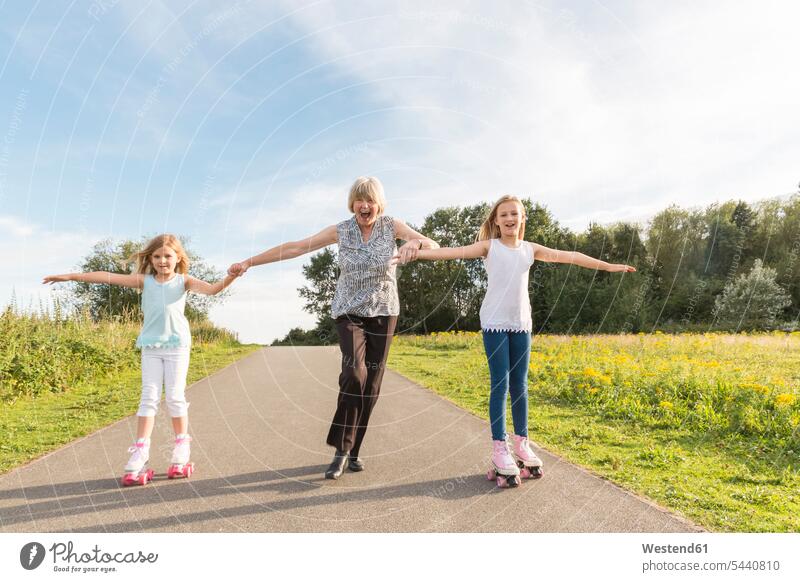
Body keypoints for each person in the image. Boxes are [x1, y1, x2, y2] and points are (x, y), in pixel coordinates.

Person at [397, 195, 635, 487]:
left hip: (522, 324)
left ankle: (522, 443)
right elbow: (451, 252)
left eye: (515, 214)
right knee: (500, 385)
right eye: (504, 214)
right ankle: (500, 448)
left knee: (520, 386)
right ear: (496, 221)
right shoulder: (490, 247)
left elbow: (570, 255)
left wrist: (609, 266)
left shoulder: (530, 250)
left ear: (522, 219)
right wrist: (416, 253)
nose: (509, 218)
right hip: (495, 324)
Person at [228, 176, 439, 479]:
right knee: (355, 374)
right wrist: (250, 262)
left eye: (370, 200)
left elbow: (432, 243)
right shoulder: (341, 230)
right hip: (349, 312)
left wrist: (415, 243)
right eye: (359, 200)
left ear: (380, 203)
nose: (364, 206)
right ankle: (341, 450)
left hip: (383, 312)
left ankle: (354, 450)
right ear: (352, 202)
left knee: (372, 386)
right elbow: (295, 248)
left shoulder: (392, 226)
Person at [44, 234, 239, 486]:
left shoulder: (184, 281)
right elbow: (107, 277)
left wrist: (232, 276)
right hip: (150, 346)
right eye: (156, 257)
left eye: (167, 256)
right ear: (150, 259)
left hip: (178, 346)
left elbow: (213, 290)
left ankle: (181, 447)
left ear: (178, 257)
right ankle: (140, 450)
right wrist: (70, 277)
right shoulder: (144, 281)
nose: (162, 261)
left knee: (175, 397)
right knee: (148, 397)